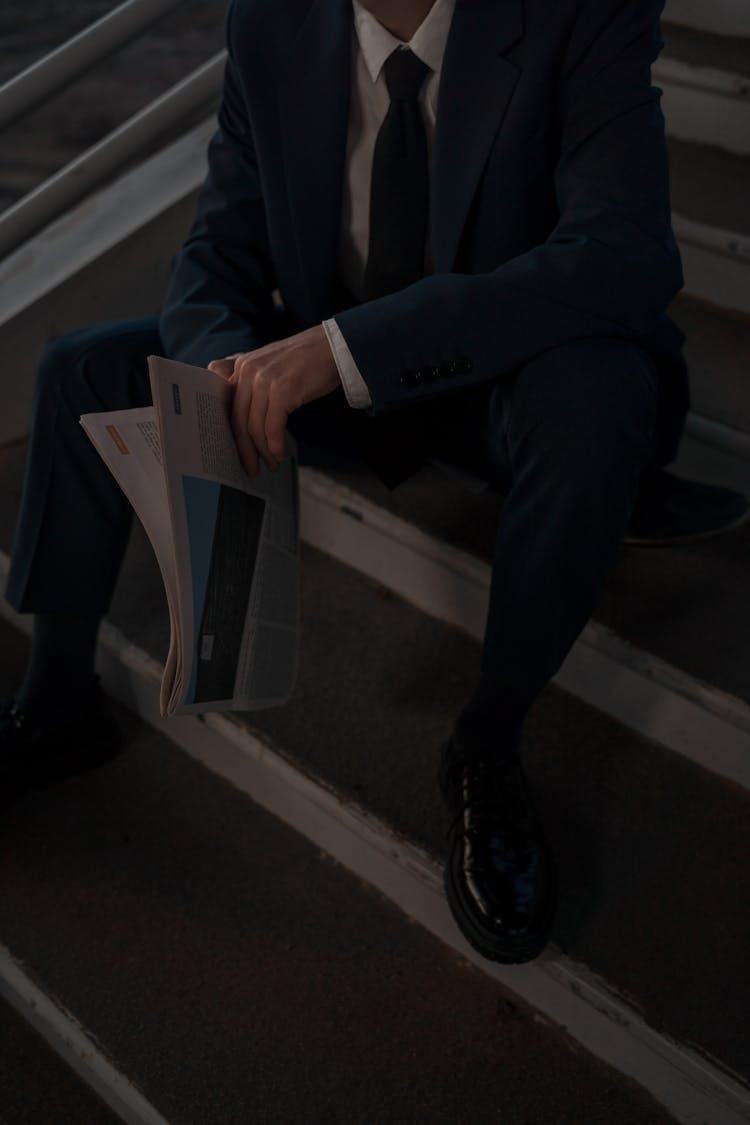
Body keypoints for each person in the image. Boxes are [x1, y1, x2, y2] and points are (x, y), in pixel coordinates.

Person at [2, 0, 747, 963]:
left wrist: (347, 348)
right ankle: (58, 702)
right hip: (336, 376)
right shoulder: (273, 24)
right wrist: (227, 380)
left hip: (501, 381)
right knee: (80, 370)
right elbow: (217, 254)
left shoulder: (580, 15)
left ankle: (487, 742)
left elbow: (622, 253)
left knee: (597, 397)